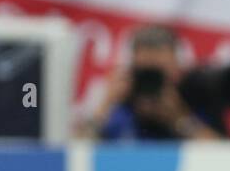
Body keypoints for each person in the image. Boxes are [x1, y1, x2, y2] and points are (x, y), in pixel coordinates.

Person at [84, 25, 222, 141]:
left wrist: (179, 119)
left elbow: (228, 157)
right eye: (145, 73)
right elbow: (75, 153)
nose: (151, 82)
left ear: (177, 69)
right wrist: (106, 104)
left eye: (158, 74)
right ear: (132, 69)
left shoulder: (195, 102)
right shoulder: (119, 107)